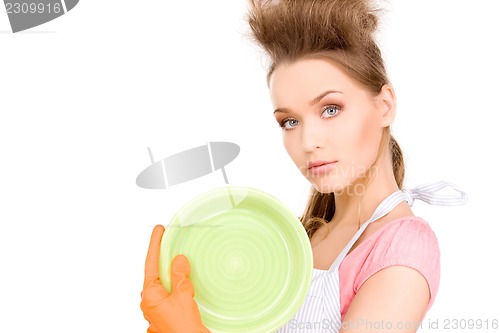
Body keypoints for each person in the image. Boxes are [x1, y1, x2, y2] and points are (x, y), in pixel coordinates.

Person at [140, 0, 467, 332]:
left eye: (330, 109)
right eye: (290, 121)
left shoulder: (402, 247)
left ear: (385, 106)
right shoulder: (300, 236)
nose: (308, 142)